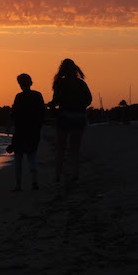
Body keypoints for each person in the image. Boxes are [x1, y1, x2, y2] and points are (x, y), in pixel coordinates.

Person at [48, 58, 92, 186]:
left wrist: (51, 106)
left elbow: (55, 101)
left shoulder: (59, 83)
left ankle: (57, 176)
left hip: (64, 117)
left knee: (61, 149)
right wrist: (80, 106)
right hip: (79, 117)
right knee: (75, 149)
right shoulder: (81, 83)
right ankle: (75, 174)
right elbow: (89, 99)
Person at [10, 73, 45, 191]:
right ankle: (34, 182)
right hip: (33, 131)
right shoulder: (37, 95)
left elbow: (14, 114)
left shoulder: (18, 97)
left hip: (20, 131)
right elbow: (42, 113)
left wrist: (10, 126)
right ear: (31, 82)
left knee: (18, 159)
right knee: (32, 157)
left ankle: (18, 185)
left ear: (20, 84)